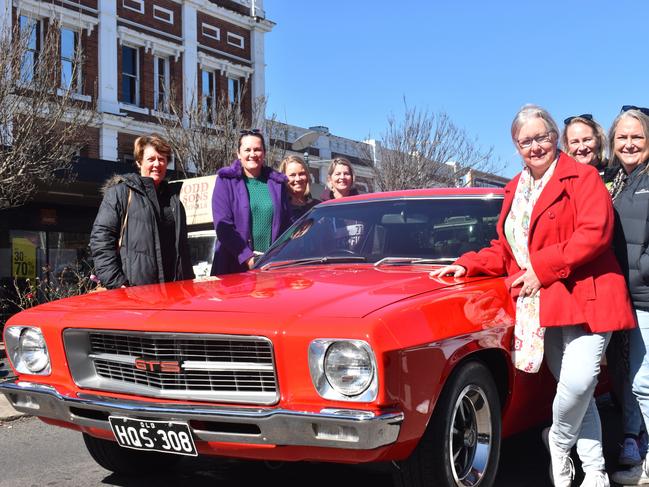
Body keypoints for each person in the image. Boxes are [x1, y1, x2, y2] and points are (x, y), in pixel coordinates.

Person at [431, 105, 635, 487]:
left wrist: (540, 270)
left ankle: (556, 442)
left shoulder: (583, 177)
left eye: (542, 137)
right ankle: (594, 471)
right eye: (526, 140)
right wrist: (469, 264)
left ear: (555, 137)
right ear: (516, 146)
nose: (536, 146)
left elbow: (594, 233)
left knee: (579, 381)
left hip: (590, 295)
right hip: (547, 305)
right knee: (581, 393)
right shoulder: (515, 189)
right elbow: (509, 251)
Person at [564, 112, 646, 466]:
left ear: (599, 142)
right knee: (603, 372)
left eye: (587, 139)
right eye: (574, 141)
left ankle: (632, 437)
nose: (582, 146)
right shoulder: (562, 183)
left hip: (633, 289)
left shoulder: (617, 178)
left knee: (636, 373)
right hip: (592, 291)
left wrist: (640, 271)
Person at [90, 134, 194, 288]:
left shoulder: (174, 201)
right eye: (151, 159)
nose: (157, 164)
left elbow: (183, 251)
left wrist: (189, 285)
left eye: (162, 159)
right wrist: (117, 283)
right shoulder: (121, 194)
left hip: (174, 293)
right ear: (139, 162)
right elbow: (101, 241)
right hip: (135, 295)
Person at [609, 107, 649, 486]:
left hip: (645, 295)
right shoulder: (622, 181)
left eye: (636, 136)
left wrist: (642, 267)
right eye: (622, 137)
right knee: (635, 380)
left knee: (644, 384)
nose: (629, 143)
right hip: (628, 297)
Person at [210, 129, 291, 275]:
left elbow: (286, 224)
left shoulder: (277, 184)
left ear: (264, 153)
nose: (252, 154)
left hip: (271, 268)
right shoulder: (226, 181)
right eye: (247, 149)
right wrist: (248, 258)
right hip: (233, 266)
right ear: (238, 153)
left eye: (257, 149)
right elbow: (223, 227)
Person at [279, 155, 320, 219]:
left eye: (301, 174)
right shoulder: (279, 207)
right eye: (292, 175)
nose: (298, 179)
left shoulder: (318, 207)